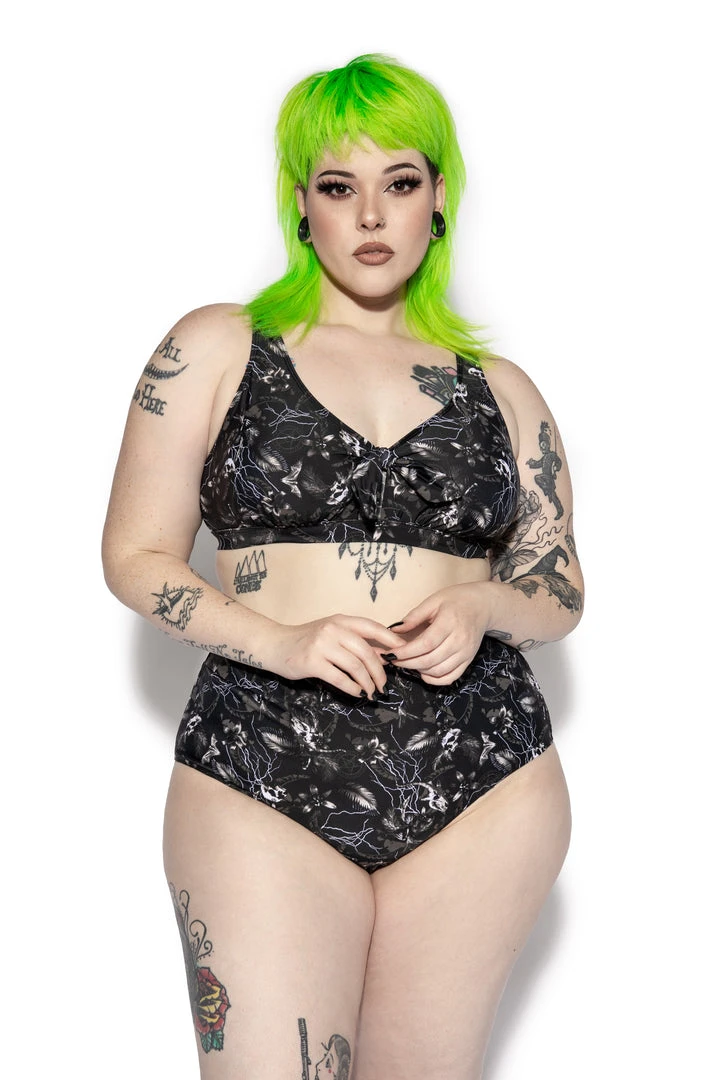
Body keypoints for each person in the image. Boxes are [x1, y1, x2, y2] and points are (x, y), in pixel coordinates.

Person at [102, 54, 583, 1080]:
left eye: (398, 182)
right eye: (337, 185)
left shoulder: (500, 388)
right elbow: (133, 558)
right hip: (260, 757)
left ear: (438, 197)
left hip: (480, 777)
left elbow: (559, 587)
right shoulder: (217, 346)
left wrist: (483, 602)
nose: (370, 213)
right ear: (299, 202)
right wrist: (279, 642)